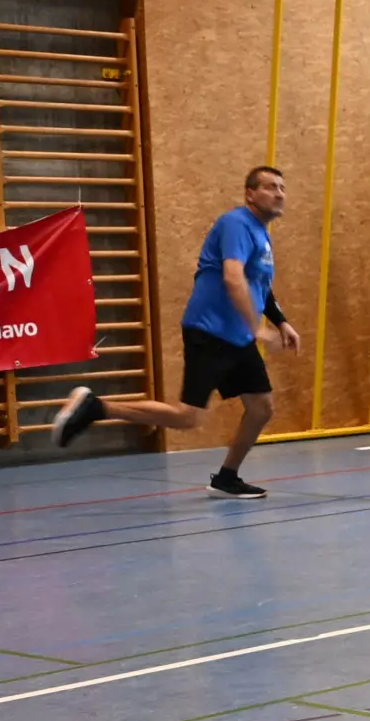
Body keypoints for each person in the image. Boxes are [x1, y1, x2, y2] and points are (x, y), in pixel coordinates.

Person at [52, 164, 299, 498]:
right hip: (211, 332)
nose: (279, 193)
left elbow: (260, 286)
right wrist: (257, 329)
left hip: (236, 336)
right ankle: (96, 407)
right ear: (250, 194)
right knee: (188, 417)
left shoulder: (260, 232)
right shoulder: (236, 223)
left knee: (261, 408)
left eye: (282, 187)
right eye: (270, 187)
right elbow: (232, 277)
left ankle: (226, 478)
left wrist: (280, 321)